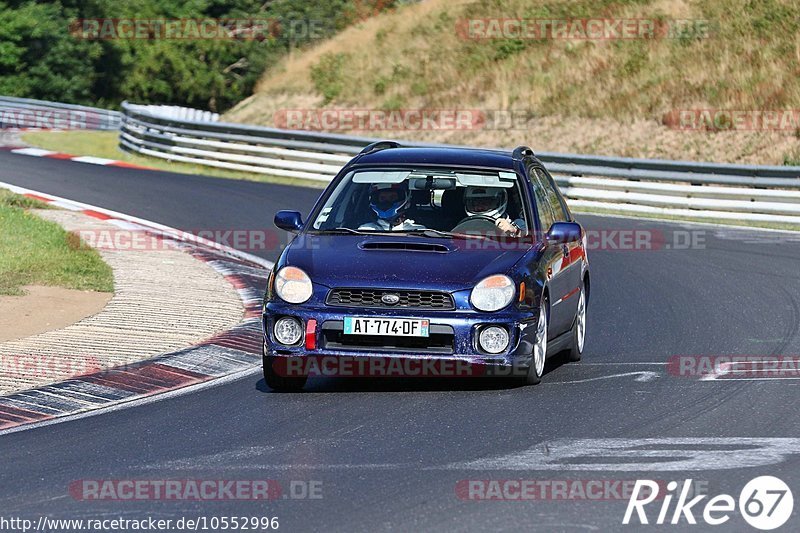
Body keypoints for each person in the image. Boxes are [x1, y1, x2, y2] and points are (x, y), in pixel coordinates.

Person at [358, 182, 426, 231]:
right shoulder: (365, 230)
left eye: (392, 197)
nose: (386, 202)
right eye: (382, 198)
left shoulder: (418, 231)